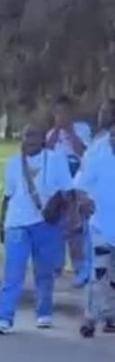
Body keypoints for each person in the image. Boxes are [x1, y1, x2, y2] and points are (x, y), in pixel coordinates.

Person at [0, 124, 74, 334]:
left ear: (43, 139)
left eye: (33, 136)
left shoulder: (56, 160)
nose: (29, 140)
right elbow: (8, 196)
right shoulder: (12, 163)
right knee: (13, 272)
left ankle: (44, 313)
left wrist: (67, 218)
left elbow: (68, 192)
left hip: (46, 223)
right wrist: (2, 223)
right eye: (26, 136)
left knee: (44, 271)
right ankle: (4, 317)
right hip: (17, 223)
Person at [75, 123, 115, 337]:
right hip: (101, 225)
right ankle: (90, 319)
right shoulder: (97, 152)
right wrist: (83, 200)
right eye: (112, 136)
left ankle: (111, 316)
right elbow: (82, 184)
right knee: (99, 272)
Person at [47, 95, 92, 285]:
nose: (61, 116)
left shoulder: (82, 129)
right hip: (57, 180)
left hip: (75, 176)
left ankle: (80, 267)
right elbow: (47, 153)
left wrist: (70, 131)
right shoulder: (52, 134)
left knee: (74, 226)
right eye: (58, 113)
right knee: (56, 225)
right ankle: (55, 265)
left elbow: (83, 153)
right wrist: (57, 131)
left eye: (65, 112)